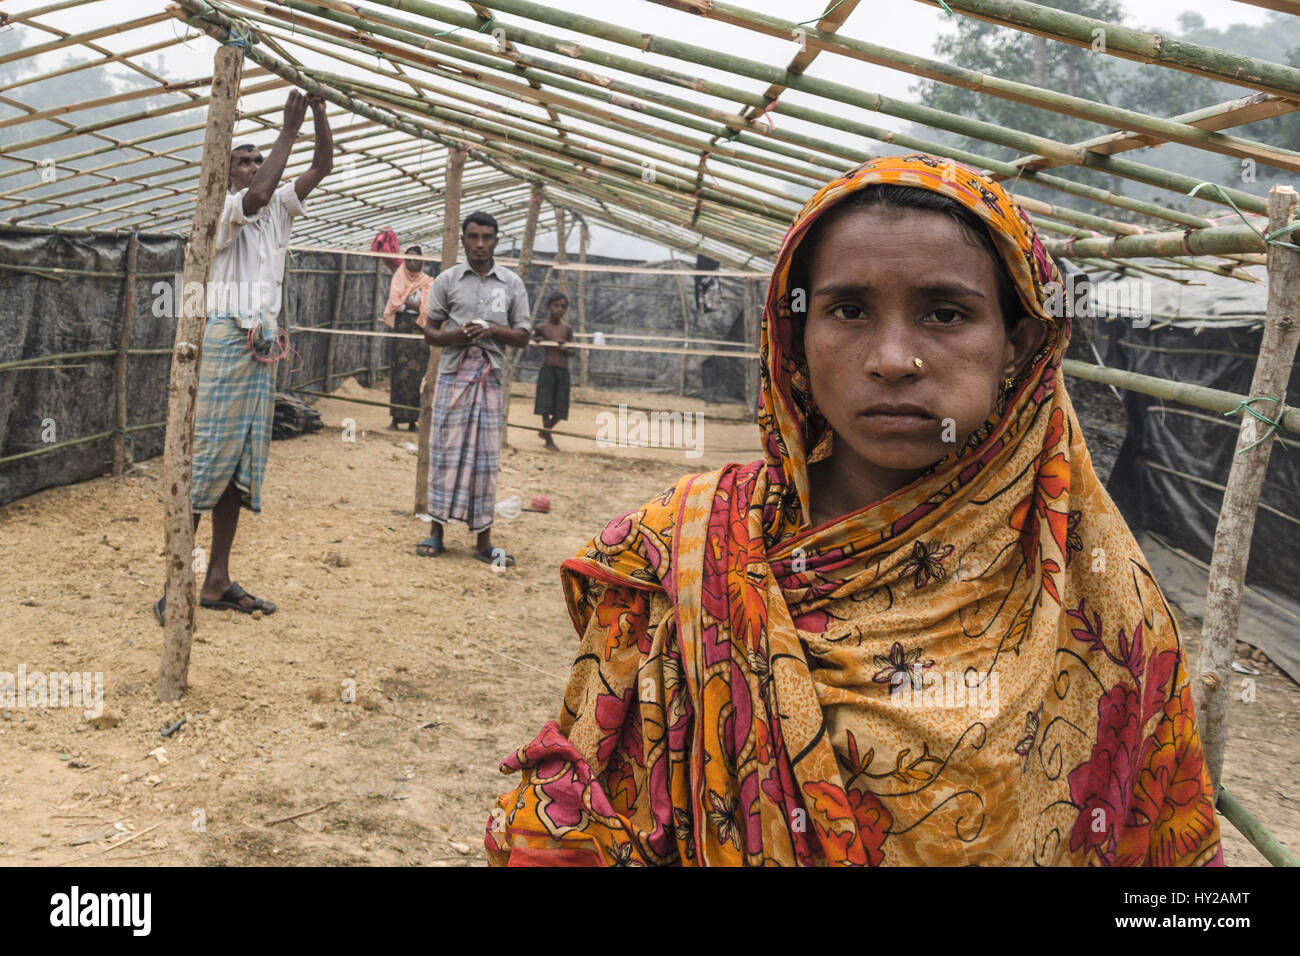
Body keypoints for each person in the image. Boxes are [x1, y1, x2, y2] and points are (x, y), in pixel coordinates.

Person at [485, 154, 1222, 866]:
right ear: (795, 336)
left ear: (1019, 342)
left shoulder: (1106, 609)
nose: (894, 357)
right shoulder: (681, 552)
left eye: (945, 313)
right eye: (849, 309)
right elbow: (583, 815)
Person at [154, 90, 332, 624]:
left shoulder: (280, 208)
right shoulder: (225, 209)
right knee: (205, 458)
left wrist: (319, 112)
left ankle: (217, 579)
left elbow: (322, 165)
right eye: (243, 160)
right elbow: (256, 195)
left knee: (238, 465)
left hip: (260, 342)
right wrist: (288, 130)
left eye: (258, 159)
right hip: (225, 340)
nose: (254, 167)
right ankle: (175, 582)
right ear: (226, 171)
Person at [416, 211, 531, 563]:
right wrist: (457, 335)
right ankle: (435, 533)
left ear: (496, 240)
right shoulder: (447, 280)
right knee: (444, 453)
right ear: (463, 239)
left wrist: (493, 330)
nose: (479, 245)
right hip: (453, 378)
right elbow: (430, 332)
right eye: (473, 237)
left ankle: (484, 541)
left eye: (486, 238)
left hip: (490, 380)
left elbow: (524, 335)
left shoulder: (511, 283)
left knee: (485, 459)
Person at [382, 244, 434, 431]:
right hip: (401, 330)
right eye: (408, 259)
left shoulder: (427, 282)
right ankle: (396, 419)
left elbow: (427, 308)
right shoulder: (398, 277)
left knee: (416, 377)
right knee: (398, 374)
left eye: (416, 259)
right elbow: (396, 302)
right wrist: (411, 305)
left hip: (419, 332)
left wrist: (410, 304)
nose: (412, 262)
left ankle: (413, 420)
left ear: (422, 261)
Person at [531, 292, 574, 451]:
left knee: (561, 407)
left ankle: (544, 430)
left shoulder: (567, 328)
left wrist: (565, 349)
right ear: (549, 307)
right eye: (556, 305)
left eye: (563, 307)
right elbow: (535, 346)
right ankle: (548, 439)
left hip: (563, 371)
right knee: (545, 405)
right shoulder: (541, 327)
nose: (560, 310)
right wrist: (537, 344)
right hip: (548, 369)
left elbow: (573, 352)